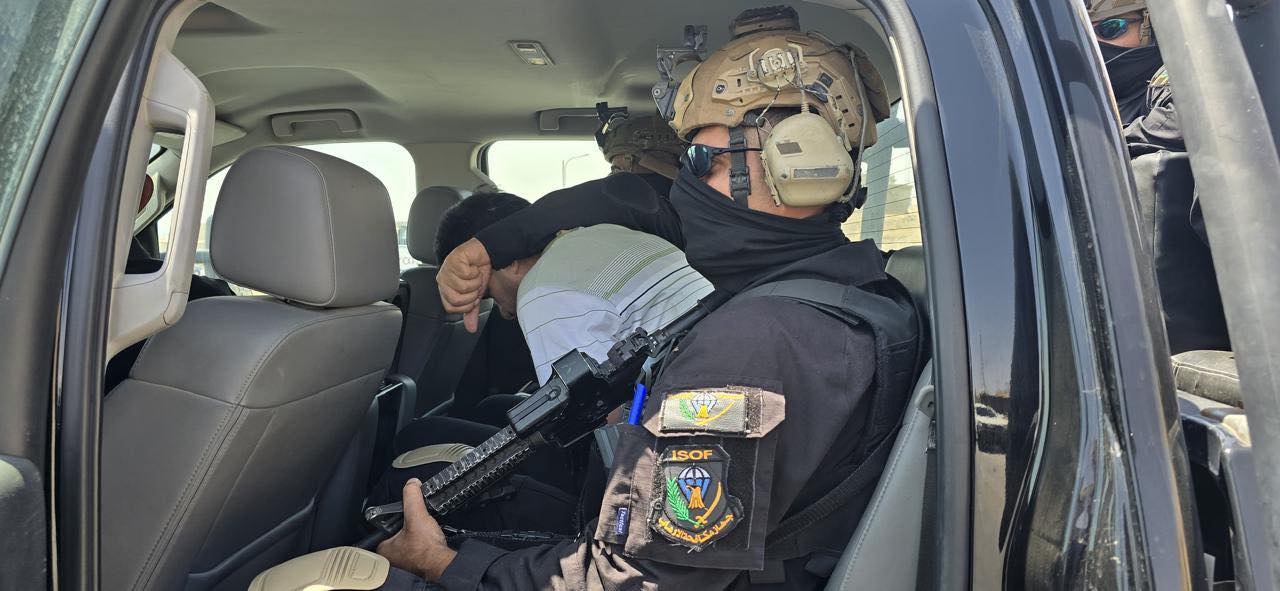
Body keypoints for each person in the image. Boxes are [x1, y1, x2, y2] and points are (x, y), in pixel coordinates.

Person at [377, 6, 921, 589]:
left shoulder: (751, 344)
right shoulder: (851, 292)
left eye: (699, 162)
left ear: (799, 163)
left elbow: (634, 579)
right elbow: (628, 198)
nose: (682, 188)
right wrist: (495, 242)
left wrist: (444, 564)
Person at [368, 191, 713, 526]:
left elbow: (596, 427)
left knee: (418, 438)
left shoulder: (543, 292)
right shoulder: (607, 235)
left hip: (645, 476)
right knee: (493, 408)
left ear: (509, 256)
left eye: (488, 292)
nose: (503, 312)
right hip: (691, 418)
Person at [1088, 0, 1231, 353]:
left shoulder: (1173, 74)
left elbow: (1183, 121)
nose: (1099, 44)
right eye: (1090, 33)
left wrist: (1106, 144)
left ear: (1150, 25)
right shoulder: (1084, 97)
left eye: (1110, 29)